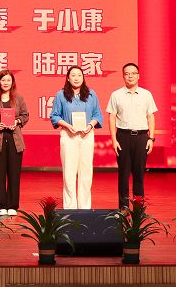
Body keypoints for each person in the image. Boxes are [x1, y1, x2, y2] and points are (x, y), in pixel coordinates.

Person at [51, 65, 105, 210]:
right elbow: (55, 116)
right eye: (73, 75)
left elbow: (97, 115)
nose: (76, 78)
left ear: (83, 77)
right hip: (69, 136)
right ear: (68, 78)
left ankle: (85, 208)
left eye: (79, 75)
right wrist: (67, 125)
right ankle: (70, 208)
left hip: (87, 136)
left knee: (86, 172)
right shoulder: (61, 95)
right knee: (69, 173)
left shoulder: (91, 94)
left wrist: (90, 126)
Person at [106, 62, 158, 208]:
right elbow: (112, 117)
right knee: (123, 174)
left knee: (139, 173)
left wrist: (151, 138)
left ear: (138, 76)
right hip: (123, 137)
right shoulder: (116, 95)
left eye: (133, 73)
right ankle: (123, 207)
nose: (130, 76)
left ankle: (138, 207)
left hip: (142, 137)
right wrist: (114, 140)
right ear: (123, 76)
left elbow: (150, 117)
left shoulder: (146, 94)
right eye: (127, 73)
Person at [0, 69, 29, 216]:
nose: (6, 83)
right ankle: (1, 205)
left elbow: (25, 115)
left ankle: (13, 206)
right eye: (3, 80)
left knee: (14, 174)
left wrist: (17, 121)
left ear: (12, 82)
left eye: (8, 80)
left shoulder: (19, 98)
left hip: (15, 140)